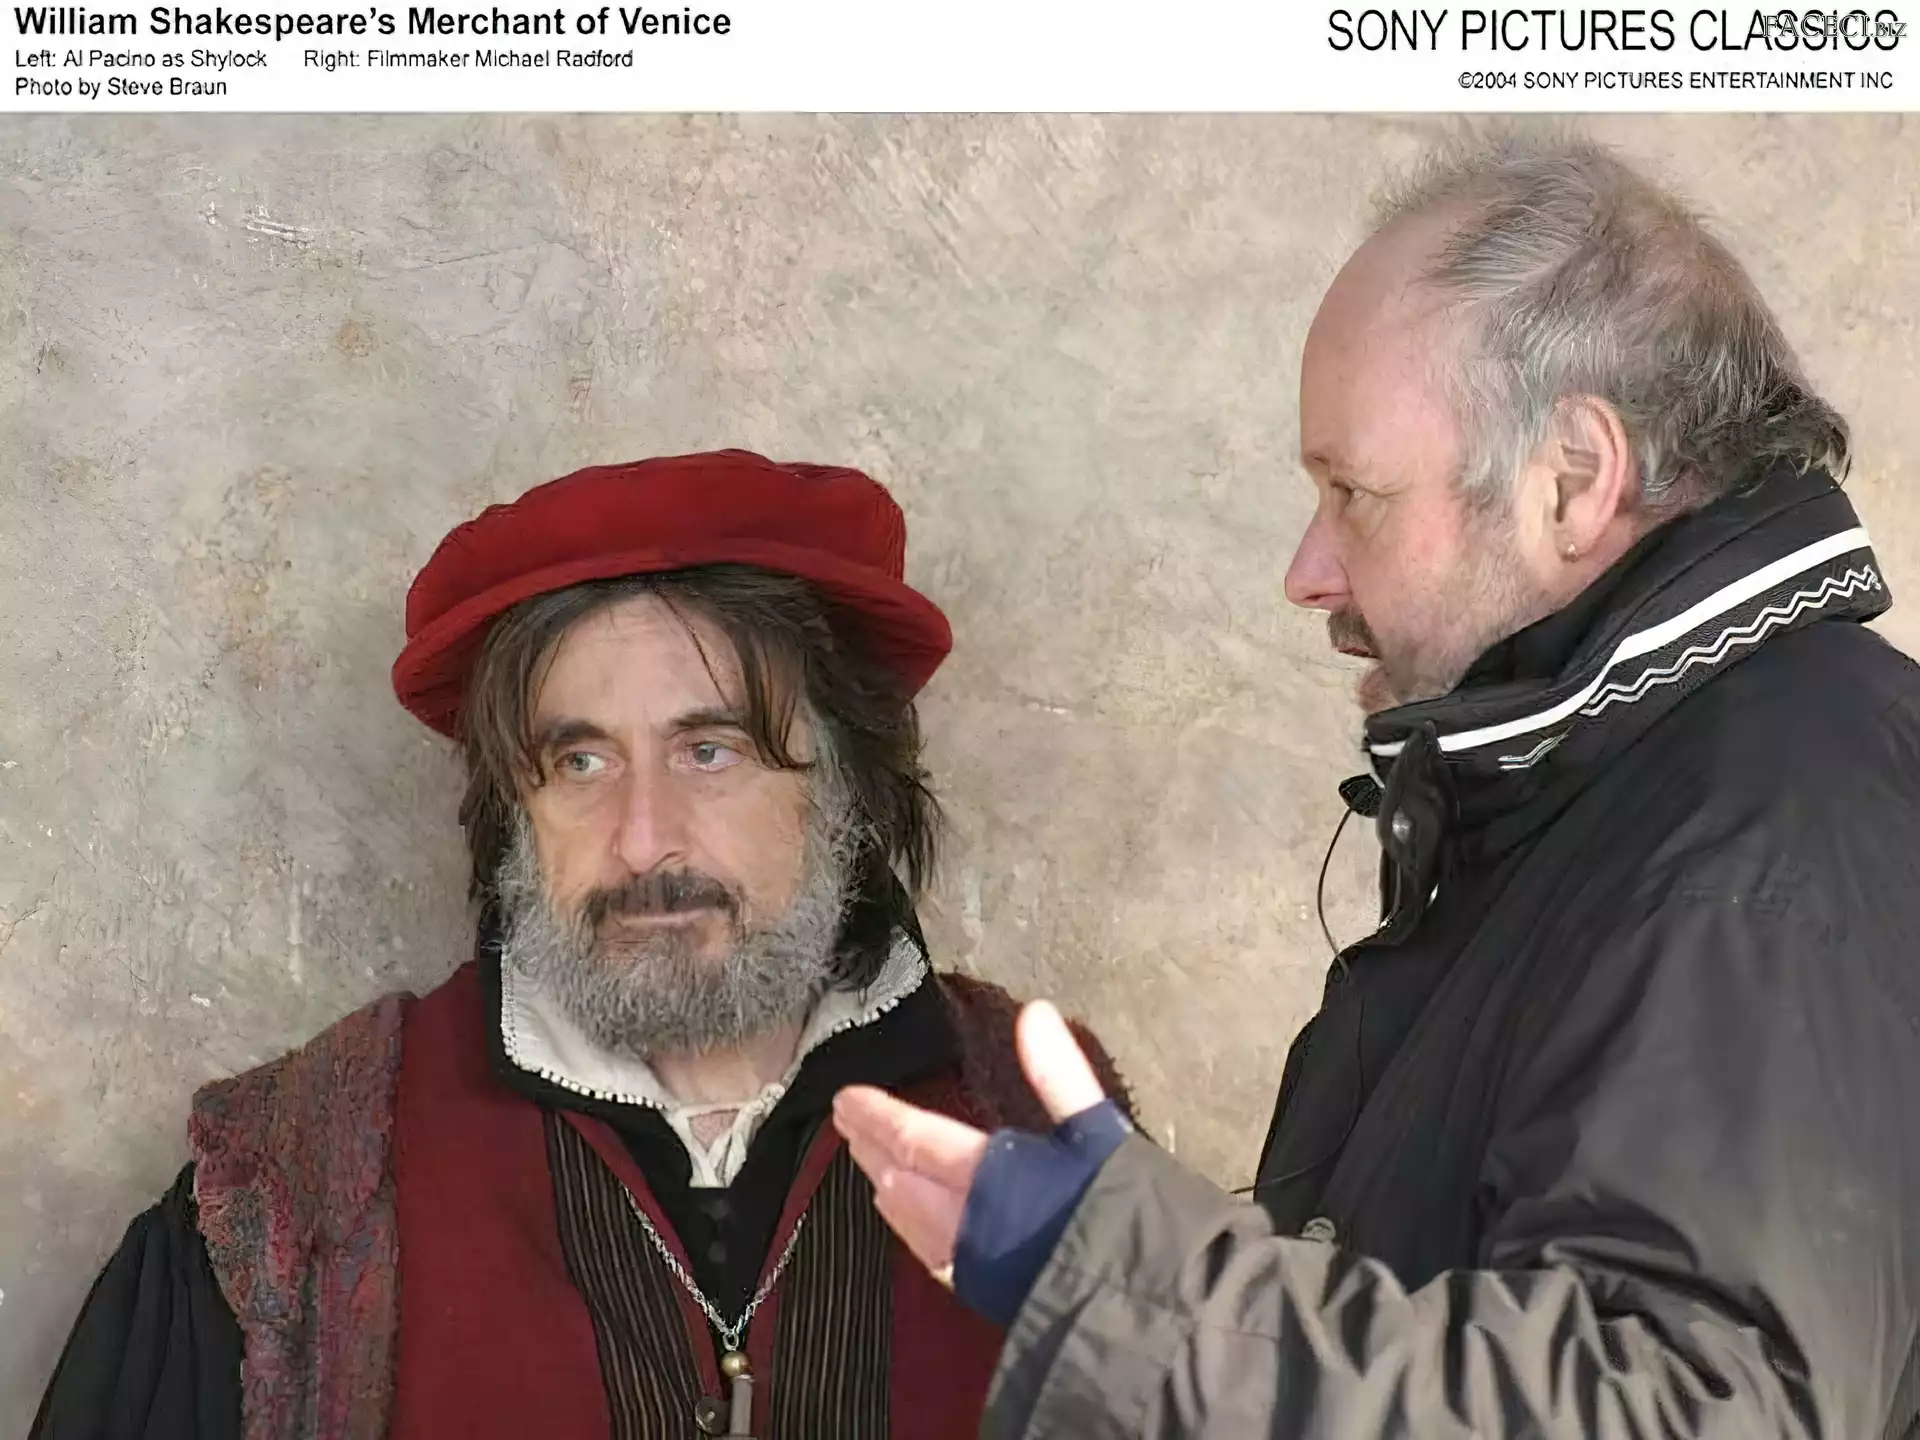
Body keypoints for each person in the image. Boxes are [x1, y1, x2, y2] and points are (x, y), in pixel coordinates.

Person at [834, 130, 1920, 1438]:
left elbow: (1698, 1409)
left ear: (1575, 482)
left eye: (1354, 493)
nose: (1307, 575)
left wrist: (1151, 1304)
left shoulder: (1769, 829)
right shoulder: (1601, 791)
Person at [31, 449, 1133, 1440]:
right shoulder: (291, 1182)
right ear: (514, 814)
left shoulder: (1041, 1121)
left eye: (711, 751)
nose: (643, 839)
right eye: (580, 764)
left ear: (846, 784)